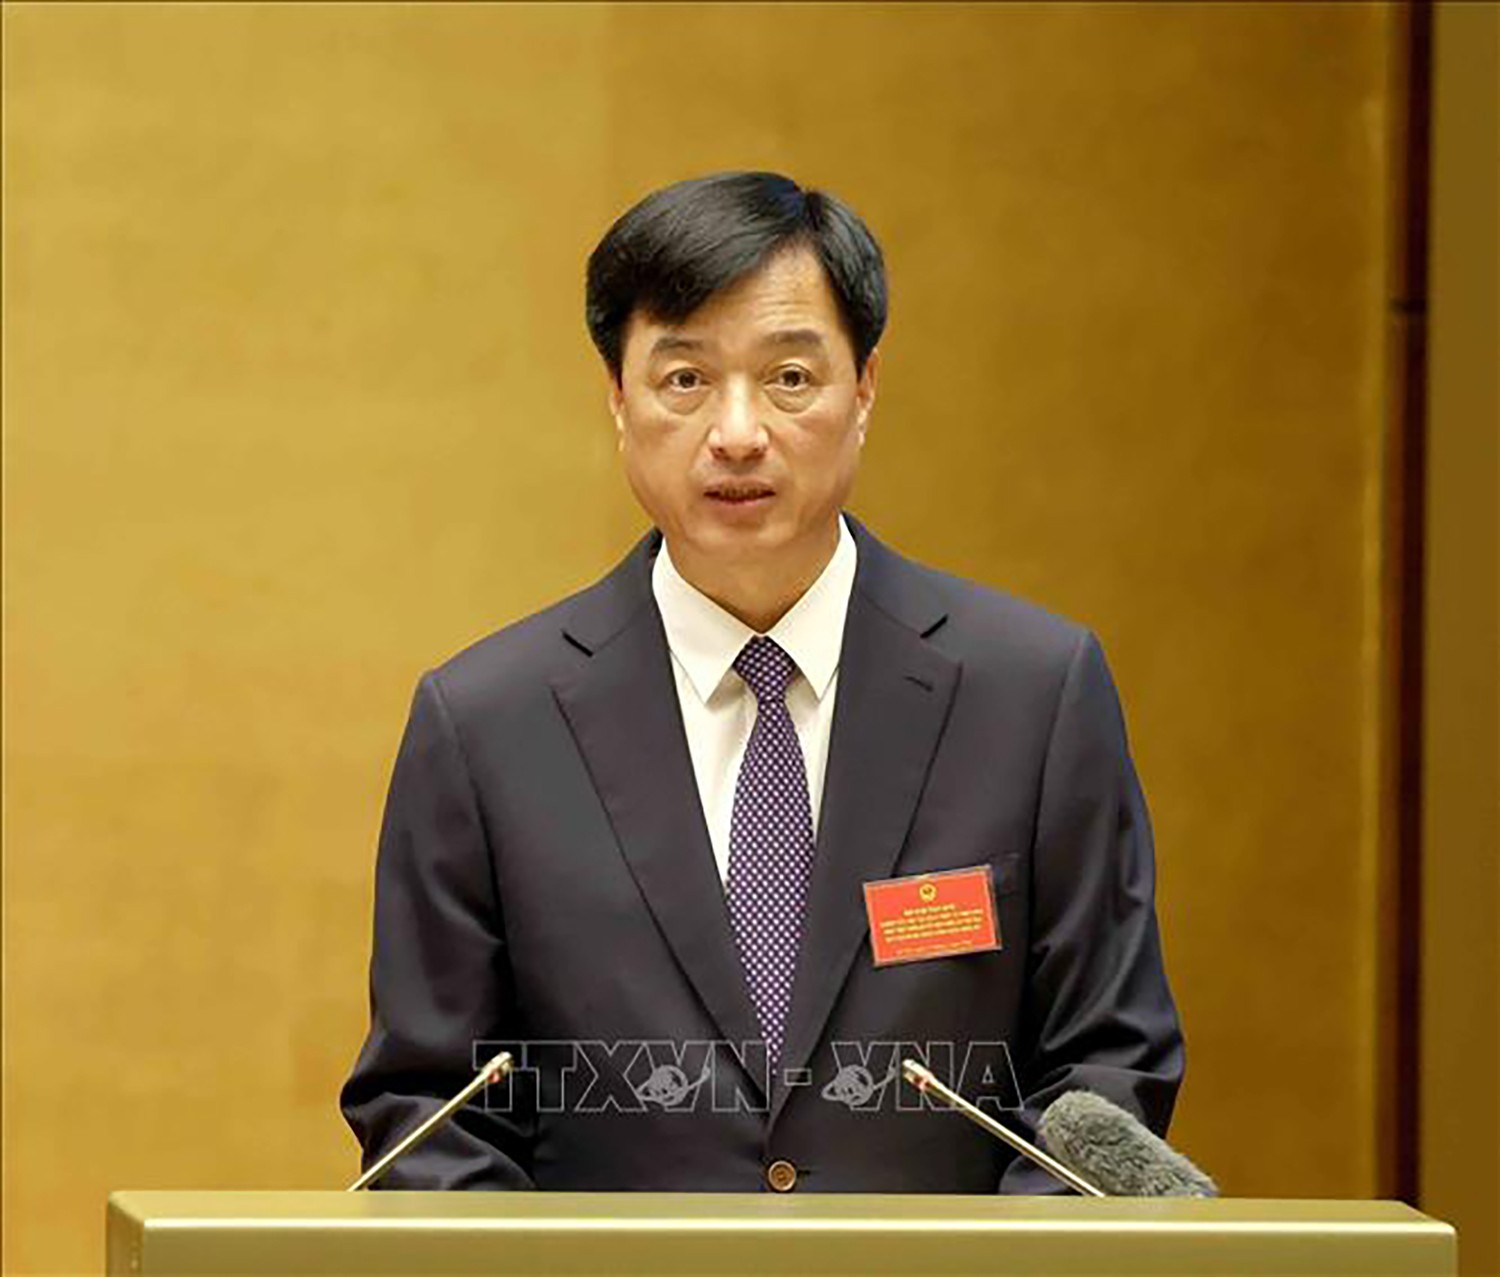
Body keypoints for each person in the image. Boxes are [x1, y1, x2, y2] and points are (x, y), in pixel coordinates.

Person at [340, 171, 1183, 1193]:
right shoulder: (487, 726)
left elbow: (1107, 1066)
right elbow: (430, 1112)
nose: (737, 432)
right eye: (684, 379)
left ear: (864, 389)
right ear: (618, 398)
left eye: (789, 377)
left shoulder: (1033, 696)